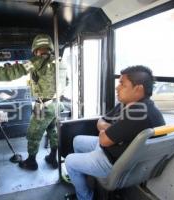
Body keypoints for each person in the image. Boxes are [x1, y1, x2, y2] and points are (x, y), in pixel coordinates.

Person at [65, 65, 165, 200]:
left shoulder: (138, 113)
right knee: (77, 140)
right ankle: (87, 174)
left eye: (122, 84)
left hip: (113, 161)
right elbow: (101, 121)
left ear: (138, 89)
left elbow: (103, 140)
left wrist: (105, 130)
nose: (117, 88)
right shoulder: (129, 104)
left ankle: (85, 197)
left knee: (70, 161)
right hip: (113, 149)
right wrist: (108, 128)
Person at [0, 34, 67, 170]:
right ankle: (53, 158)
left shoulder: (37, 61)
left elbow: (16, 70)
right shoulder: (60, 62)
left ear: (36, 49)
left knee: (33, 134)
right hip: (57, 104)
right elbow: (66, 81)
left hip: (43, 106)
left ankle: (31, 162)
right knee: (52, 131)